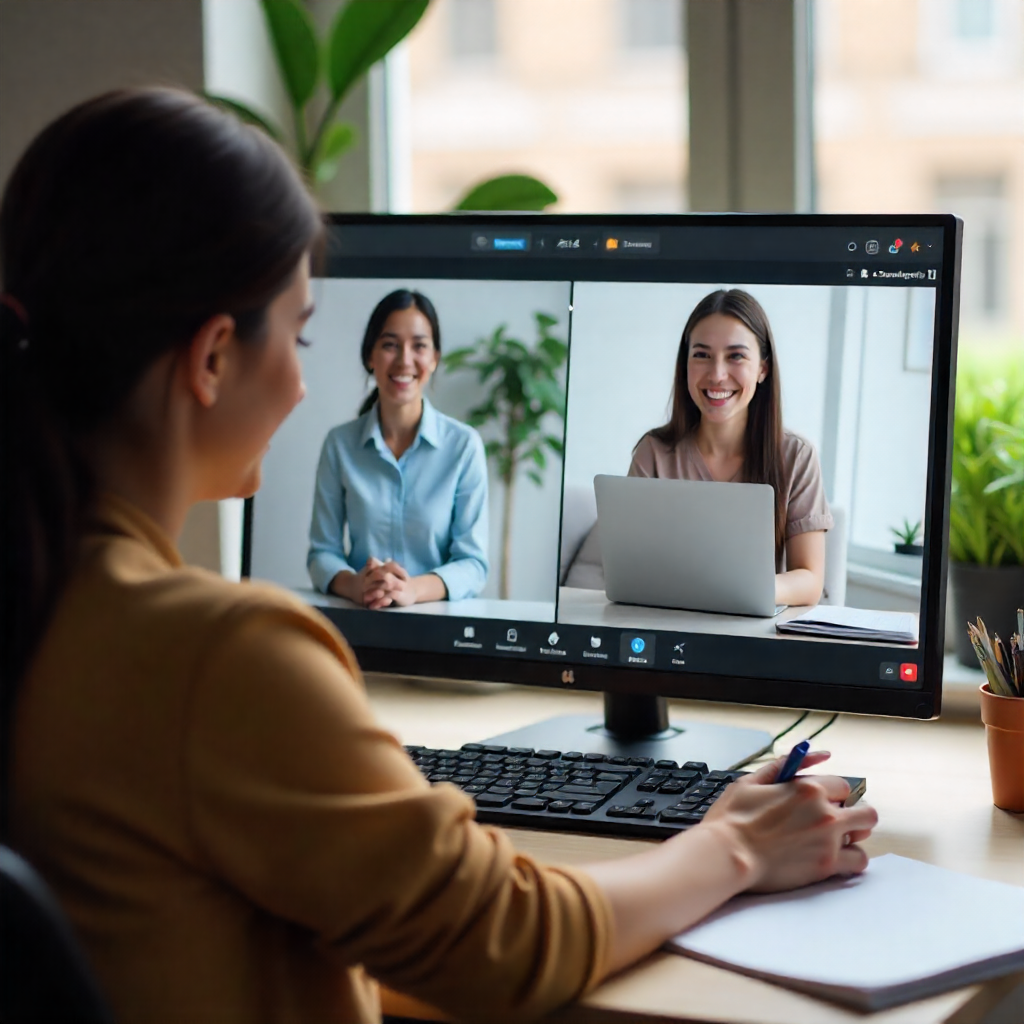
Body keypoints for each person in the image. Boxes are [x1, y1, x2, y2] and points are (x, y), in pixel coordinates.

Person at [2, 89, 876, 1024]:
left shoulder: (45, 596)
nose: (303, 381)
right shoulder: (222, 657)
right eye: (300, 334)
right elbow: (508, 943)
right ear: (213, 358)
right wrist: (735, 844)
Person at [630, 289, 834, 607]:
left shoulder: (797, 457)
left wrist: (731, 589)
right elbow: (632, 566)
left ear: (763, 369)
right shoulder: (653, 453)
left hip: (754, 629)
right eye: (702, 355)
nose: (717, 375)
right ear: (685, 364)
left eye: (736, 356)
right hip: (667, 624)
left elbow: (809, 580)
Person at [307, 289, 489, 608]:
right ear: (370, 356)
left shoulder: (464, 446)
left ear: (434, 358)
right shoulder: (339, 445)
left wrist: (412, 590)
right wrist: (356, 586)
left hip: (436, 621)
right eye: (390, 345)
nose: (405, 360)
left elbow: (473, 564)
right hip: (361, 614)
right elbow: (322, 553)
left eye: (419, 346)